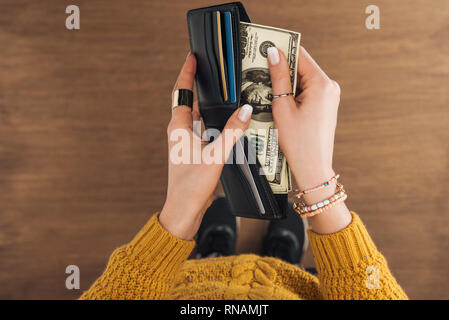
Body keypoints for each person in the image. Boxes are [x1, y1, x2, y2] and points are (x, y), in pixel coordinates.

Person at [79, 46, 407, 300]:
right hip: (286, 288)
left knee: (211, 258)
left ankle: (215, 252)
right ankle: (282, 261)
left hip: (190, 287)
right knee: (284, 270)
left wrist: (180, 215)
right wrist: (318, 184)